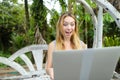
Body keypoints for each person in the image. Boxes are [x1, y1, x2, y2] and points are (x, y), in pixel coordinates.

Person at [45, 12, 87, 80]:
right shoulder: (52, 45)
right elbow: (48, 68)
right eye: (65, 24)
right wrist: (51, 71)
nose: (69, 28)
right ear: (60, 26)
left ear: (75, 26)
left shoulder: (81, 45)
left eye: (72, 24)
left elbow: (85, 66)